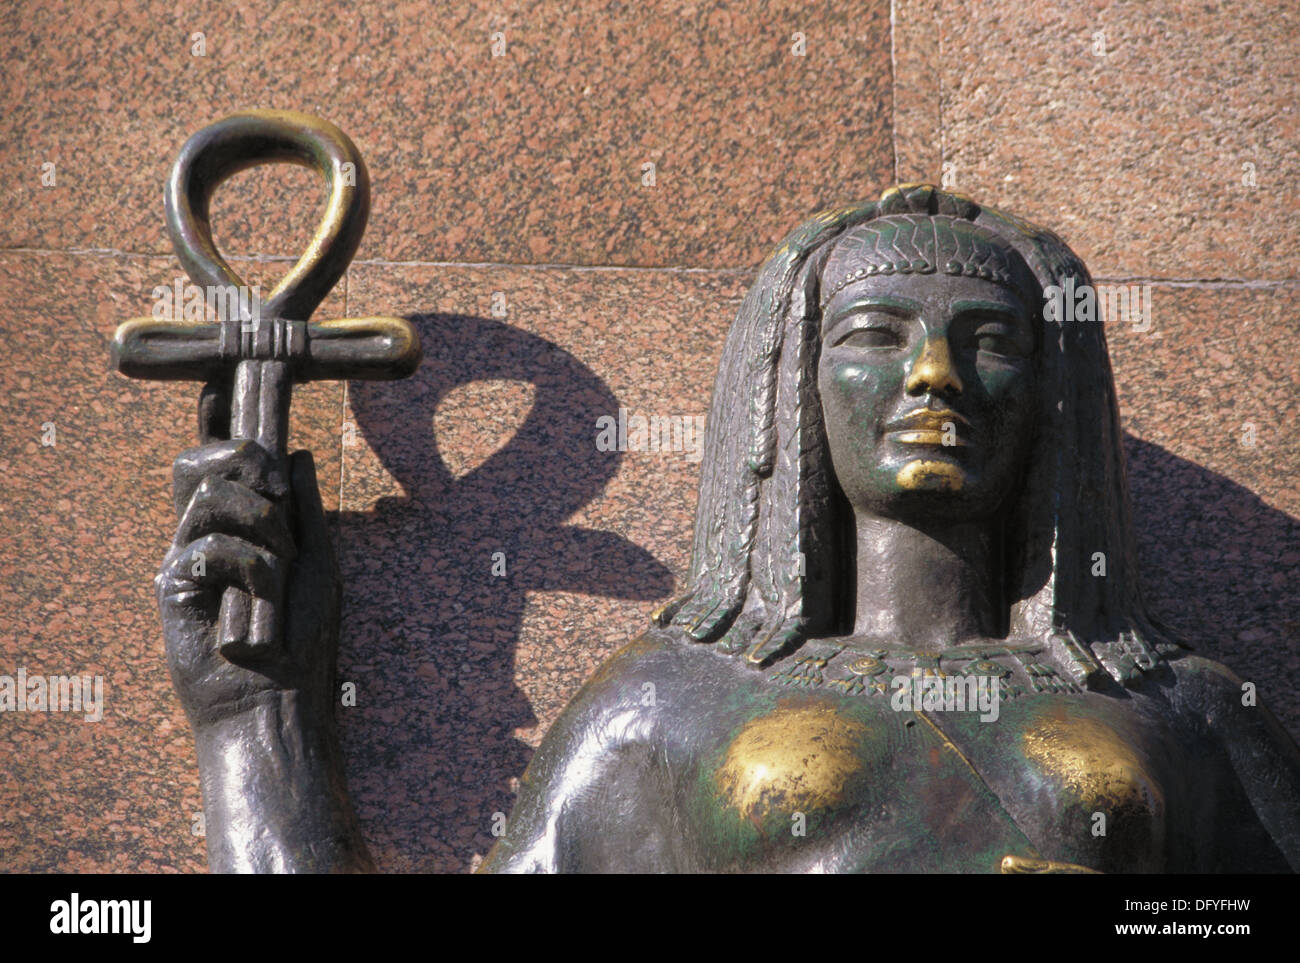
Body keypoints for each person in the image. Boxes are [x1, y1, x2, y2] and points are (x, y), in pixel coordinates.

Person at [159, 184, 1300, 873]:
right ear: (791, 389)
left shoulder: (1179, 709)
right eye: (873, 334)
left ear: (1052, 397)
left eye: (992, 342)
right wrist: (256, 724)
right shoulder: (666, 699)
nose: (935, 377)